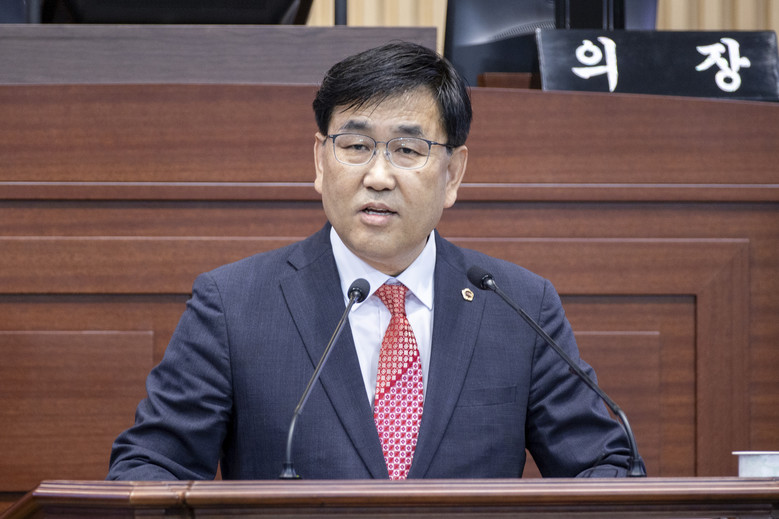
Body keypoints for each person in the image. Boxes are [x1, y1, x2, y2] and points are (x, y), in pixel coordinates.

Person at [108, 41, 638, 481]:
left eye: (407, 150)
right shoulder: (234, 305)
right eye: (356, 145)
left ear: (453, 175)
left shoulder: (519, 305)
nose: (378, 176)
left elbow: (604, 466)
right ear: (320, 162)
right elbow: (149, 468)